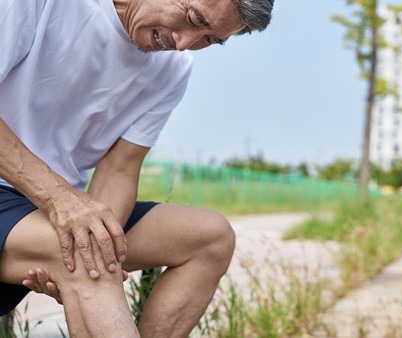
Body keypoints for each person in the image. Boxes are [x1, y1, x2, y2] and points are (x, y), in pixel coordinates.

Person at [0, 0, 273, 336]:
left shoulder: (172, 71)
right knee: (87, 263)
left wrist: (103, 250)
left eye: (209, 39)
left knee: (210, 237)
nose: (184, 43)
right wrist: (58, 199)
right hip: (21, 190)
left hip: (47, 205)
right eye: (192, 19)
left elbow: (119, 170)